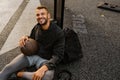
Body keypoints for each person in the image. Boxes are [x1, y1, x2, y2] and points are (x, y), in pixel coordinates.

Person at [0, 6, 65, 80]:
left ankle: (20, 74)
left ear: (48, 15)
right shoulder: (37, 27)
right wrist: (25, 38)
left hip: (46, 61)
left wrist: (43, 69)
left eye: (42, 14)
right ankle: (31, 74)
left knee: (48, 76)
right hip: (33, 55)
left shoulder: (58, 33)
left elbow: (58, 56)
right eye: (38, 15)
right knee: (8, 68)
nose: (40, 16)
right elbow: (32, 39)